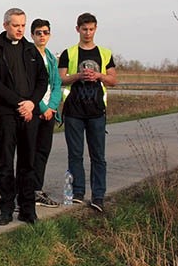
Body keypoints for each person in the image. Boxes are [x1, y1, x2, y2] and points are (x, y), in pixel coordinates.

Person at [0, 8, 48, 225]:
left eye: (22, 25)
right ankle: (6, 209)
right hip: (5, 114)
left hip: (30, 113)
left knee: (28, 162)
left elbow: (42, 80)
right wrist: (18, 103)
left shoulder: (31, 51)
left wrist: (31, 103)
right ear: (5, 26)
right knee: (6, 163)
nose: (20, 29)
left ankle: (27, 209)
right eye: (15, 25)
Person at [58, 12, 117, 213]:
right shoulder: (69, 53)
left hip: (97, 112)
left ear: (96, 29)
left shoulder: (105, 53)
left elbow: (113, 80)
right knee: (75, 154)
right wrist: (78, 75)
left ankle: (98, 196)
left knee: (98, 156)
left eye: (91, 29)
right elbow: (61, 79)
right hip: (74, 111)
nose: (88, 33)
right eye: (84, 29)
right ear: (77, 29)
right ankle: (77, 193)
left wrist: (99, 75)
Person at [30, 19, 62, 208]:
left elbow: (56, 83)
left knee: (43, 151)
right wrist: (42, 108)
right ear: (32, 35)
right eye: (38, 32)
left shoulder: (50, 56)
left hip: (50, 111)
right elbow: (30, 86)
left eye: (46, 32)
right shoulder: (29, 55)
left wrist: (52, 107)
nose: (42, 36)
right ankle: (26, 192)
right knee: (30, 153)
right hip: (35, 111)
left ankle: (37, 190)